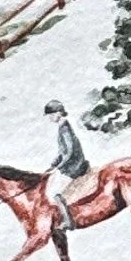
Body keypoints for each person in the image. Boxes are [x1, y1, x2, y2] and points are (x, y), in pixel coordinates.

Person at [43, 98, 95, 235]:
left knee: (55, 192)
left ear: (59, 113)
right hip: (70, 163)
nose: (49, 118)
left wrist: (59, 166)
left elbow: (70, 152)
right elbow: (62, 152)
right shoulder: (62, 127)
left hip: (74, 165)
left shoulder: (65, 128)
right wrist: (53, 164)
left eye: (51, 114)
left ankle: (68, 220)